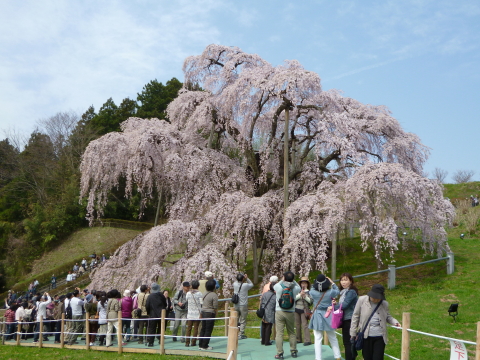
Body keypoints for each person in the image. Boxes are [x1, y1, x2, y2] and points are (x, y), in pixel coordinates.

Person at [350, 284, 401, 360]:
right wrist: (353, 334)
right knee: (367, 357)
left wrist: (395, 322)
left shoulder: (384, 304)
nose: (375, 299)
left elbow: (388, 316)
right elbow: (355, 316)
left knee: (378, 358)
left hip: (380, 336)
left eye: (378, 298)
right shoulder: (362, 300)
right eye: (374, 297)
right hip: (366, 336)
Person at [308, 274, 341, 360]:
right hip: (328, 314)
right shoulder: (331, 292)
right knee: (332, 337)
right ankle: (337, 356)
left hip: (317, 314)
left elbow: (311, 288)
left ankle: (318, 358)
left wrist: (316, 282)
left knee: (318, 338)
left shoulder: (313, 292)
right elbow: (337, 291)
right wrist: (332, 283)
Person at [329, 273, 358, 360]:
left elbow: (345, 305)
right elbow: (342, 305)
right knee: (347, 343)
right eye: (342, 280)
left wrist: (333, 307)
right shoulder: (344, 292)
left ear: (351, 281)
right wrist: (336, 304)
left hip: (350, 320)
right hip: (345, 319)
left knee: (348, 343)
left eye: (346, 280)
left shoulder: (351, 292)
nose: (343, 282)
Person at [273, 271, 301, 359]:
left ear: (284, 277)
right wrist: (293, 281)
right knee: (291, 332)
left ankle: (279, 353)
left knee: (279, 333)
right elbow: (299, 287)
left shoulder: (278, 287)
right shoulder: (295, 288)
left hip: (279, 311)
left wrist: (282, 280)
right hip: (291, 311)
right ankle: (293, 351)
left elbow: (275, 285)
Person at [233, 273, 254, 340]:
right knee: (243, 320)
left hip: (236, 305)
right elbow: (251, 284)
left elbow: (236, 281)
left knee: (236, 319)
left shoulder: (235, 284)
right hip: (243, 305)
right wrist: (247, 278)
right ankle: (241, 334)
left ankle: (234, 332)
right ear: (243, 279)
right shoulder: (245, 285)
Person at [199, 279, 218, 350]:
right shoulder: (214, 295)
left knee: (203, 329)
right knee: (208, 330)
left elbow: (201, 303)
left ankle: (200, 344)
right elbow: (215, 306)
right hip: (210, 313)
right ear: (213, 286)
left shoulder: (204, 293)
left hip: (203, 312)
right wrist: (216, 312)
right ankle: (205, 345)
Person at [145, 283, 167, 347]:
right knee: (161, 328)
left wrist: (148, 312)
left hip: (152, 314)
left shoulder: (150, 296)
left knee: (152, 329)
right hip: (161, 314)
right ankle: (161, 341)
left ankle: (151, 342)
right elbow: (165, 304)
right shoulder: (161, 296)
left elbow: (147, 306)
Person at [295, 276, 312, 346]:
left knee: (305, 325)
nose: (303, 285)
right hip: (296, 309)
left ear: (307, 284)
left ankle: (307, 340)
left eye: (305, 283)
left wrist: (305, 296)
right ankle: (298, 339)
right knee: (297, 325)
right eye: (302, 283)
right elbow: (294, 299)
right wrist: (300, 295)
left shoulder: (309, 292)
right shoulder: (297, 291)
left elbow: (311, 302)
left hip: (304, 310)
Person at [185, 279, 202, 347]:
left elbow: (186, 300)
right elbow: (201, 303)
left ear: (191, 286)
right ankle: (193, 342)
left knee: (189, 328)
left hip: (190, 313)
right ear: (198, 286)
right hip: (197, 314)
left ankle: (187, 342)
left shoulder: (188, 293)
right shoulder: (199, 294)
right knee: (196, 328)